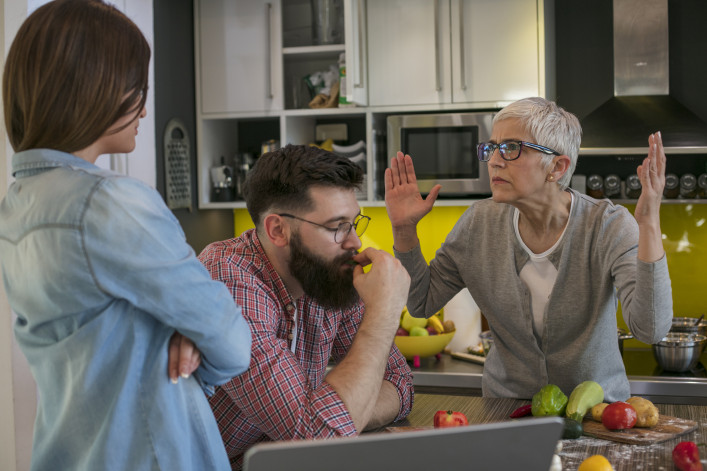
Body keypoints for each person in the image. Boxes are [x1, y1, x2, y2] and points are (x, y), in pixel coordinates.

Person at [0, 1, 251, 470]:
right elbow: (231, 339)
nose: (144, 104)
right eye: (138, 86)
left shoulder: (18, 205)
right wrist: (196, 339)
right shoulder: (109, 202)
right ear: (96, 87)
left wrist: (184, 330)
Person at [385, 96, 672, 402]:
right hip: (506, 412)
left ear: (557, 166)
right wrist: (404, 231)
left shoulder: (608, 226)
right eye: (491, 148)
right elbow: (420, 302)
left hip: (597, 415)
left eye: (511, 148)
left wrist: (649, 224)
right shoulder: (478, 224)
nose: (494, 160)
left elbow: (650, 329)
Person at [199, 144, 414, 470]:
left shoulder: (325, 273)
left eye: (354, 223)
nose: (354, 241)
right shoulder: (229, 282)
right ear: (278, 230)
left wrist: (339, 416)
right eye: (336, 226)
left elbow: (400, 384)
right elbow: (317, 437)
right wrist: (383, 313)